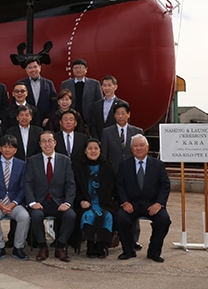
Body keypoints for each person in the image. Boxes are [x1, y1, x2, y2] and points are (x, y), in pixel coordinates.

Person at [115, 135, 171, 263]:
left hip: (152, 204)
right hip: (132, 204)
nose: (139, 148)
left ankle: (154, 252)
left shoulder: (158, 165)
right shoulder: (124, 165)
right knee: (120, 217)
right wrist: (124, 202)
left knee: (164, 220)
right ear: (131, 148)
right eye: (135, 146)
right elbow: (119, 185)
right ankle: (128, 250)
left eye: (141, 145)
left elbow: (165, 186)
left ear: (147, 147)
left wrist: (159, 203)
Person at [25, 131, 76, 262]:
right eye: (43, 141)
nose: (47, 144)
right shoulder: (32, 161)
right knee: (36, 216)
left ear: (55, 143)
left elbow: (71, 184)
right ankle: (42, 247)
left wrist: (67, 203)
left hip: (58, 202)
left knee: (71, 215)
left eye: (49, 140)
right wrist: (32, 202)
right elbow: (28, 184)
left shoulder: (65, 160)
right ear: (40, 144)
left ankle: (60, 246)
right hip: (40, 202)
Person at [0, 134, 30, 261]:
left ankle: (18, 247)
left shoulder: (22, 165)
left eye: (11, 147)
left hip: (14, 203)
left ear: (15, 150)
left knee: (24, 216)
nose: (7, 150)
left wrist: (13, 203)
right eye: (4, 146)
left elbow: (23, 188)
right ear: (0, 148)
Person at [73, 139, 117, 258]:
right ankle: (91, 244)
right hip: (85, 203)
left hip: (104, 203)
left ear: (100, 150)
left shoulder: (107, 167)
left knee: (106, 215)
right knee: (88, 215)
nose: (93, 151)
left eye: (96, 148)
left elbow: (112, 189)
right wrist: (81, 200)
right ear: (85, 151)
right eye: (90, 148)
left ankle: (101, 245)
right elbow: (74, 188)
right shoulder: (78, 167)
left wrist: (107, 202)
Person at [100, 100, 144, 174]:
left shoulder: (137, 132)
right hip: (113, 172)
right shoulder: (106, 132)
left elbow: (142, 153)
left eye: (123, 113)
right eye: (118, 113)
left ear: (128, 114)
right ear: (114, 115)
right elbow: (104, 154)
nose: (120, 116)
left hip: (132, 171)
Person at [59, 58, 102, 128]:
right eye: (75, 68)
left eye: (81, 68)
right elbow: (61, 100)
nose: (78, 70)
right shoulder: (65, 84)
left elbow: (99, 102)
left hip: (89, 120)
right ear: (72, 70)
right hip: (70, 120)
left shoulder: (95, 84)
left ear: (86, 69)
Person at [20, 57, 57, 127]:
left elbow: (54, 103)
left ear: (40, 68)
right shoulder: (21, 84)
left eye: (35, 67)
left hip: (46, 122)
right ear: (26, 70)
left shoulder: (49, 84)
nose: (33, 70)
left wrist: (49, 117)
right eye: (30, 68)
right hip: (27, 122)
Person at [89, 75, 120, 140]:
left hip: (115, 140)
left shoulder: (122, 104)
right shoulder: (96, 105)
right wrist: (96, 139)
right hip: (99, 140)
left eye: (109, 85)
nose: (107, 88)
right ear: (101, 87)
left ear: (115, 87)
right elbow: (93, 125)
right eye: (104, 85)